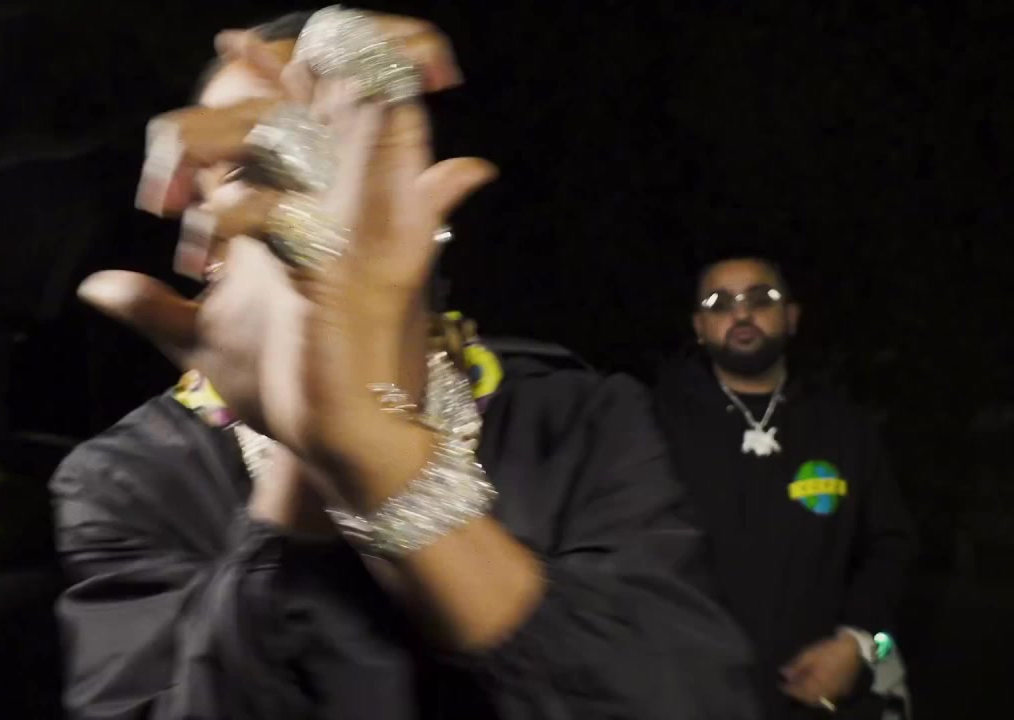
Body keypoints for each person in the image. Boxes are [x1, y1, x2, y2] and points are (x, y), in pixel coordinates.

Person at [51, 9, 759, 719]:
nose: (322, 192)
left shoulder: (575, 419)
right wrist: (307, 450)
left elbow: (693, 697)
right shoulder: (128, 479)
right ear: (205, 242)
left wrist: (374, 448)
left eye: (338, 143)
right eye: (255, 162)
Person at [654, 254, 917, 719]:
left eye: (761, 299)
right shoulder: (652, 426)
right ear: (699, 327)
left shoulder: (845, 427)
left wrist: (859, 643)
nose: (741, 314)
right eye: (720, 303)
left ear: (792, 317)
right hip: (687, 697)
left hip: (822, 700)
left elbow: (890, 547)